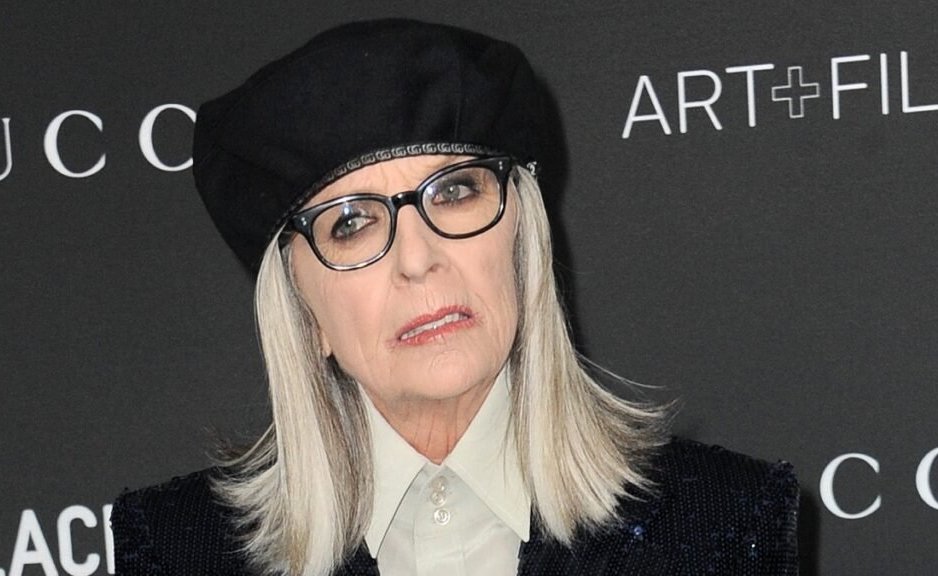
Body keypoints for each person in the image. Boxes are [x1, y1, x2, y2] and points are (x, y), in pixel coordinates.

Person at [112, 18, 799, 576]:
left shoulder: (726, 523)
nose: (417, 259)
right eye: (352, 223)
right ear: (301, 309)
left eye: (455, 191)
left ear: (520, 242)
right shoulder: (177, 552)